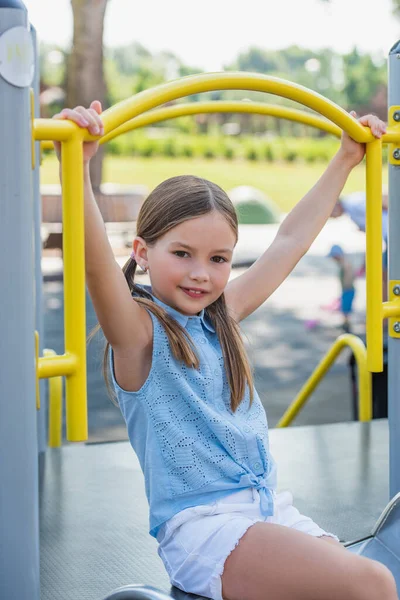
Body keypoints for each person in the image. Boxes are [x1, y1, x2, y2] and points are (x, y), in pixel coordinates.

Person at [53, 104, 396, 600]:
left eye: (218, 260)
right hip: (204, 530)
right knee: (373, 583)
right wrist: (78, 167)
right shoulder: (140, 335)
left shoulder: (222, 317)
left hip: (266, 509)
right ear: (142, 252)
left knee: (363, 580)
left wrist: (345, 160)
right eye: (182, 254)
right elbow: (96, 268)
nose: (201, 274)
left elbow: (290, 240)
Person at [331, 188, 389, 300]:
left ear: (335, 204)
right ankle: (384, 305)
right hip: (387, 236)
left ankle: (386, 308)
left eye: (330, 213)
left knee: (387, 273)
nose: (331, 217)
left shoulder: (353, 203)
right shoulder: (351, 212)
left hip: (390, 234)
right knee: (385, 273)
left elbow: (382, 199)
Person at [328, 244, 356, 333]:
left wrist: (345, 289)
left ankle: (347, 326)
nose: (333, 259)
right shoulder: (343, 263)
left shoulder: (345, 264)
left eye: (333, 257)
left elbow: (349, 277)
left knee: (346, 309)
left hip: (348, 289)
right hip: (346, 289)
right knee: (344, 308)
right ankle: (345, 324)